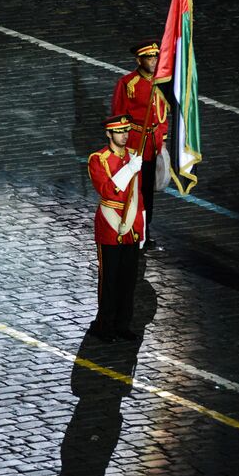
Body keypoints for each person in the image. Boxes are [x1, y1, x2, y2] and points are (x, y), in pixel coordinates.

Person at [86, 114, 145, 343]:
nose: (124, 135)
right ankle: (105, 324)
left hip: (131, 223)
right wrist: (129, 169)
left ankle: (123, 324)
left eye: (127, 131)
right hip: (111, 223)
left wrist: (140, 225)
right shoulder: (98, 159)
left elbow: (137, 195)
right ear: (109, 134)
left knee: (128, 279)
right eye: (119, 132)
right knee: (109, 279)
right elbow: (108, 190)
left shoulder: (133, 157)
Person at [111, 40, 169, 249]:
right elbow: (119, 116)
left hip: (153, 146)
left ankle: (145, 231)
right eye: (149, 58)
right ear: (139, 60)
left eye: (155, 57)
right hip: (135, 146)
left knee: (148, 192)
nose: (153, 61)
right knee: (134, 192)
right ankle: (132, 231)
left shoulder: (161, 83)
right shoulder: (128, 83)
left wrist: (161, 137)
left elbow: (162, 113)